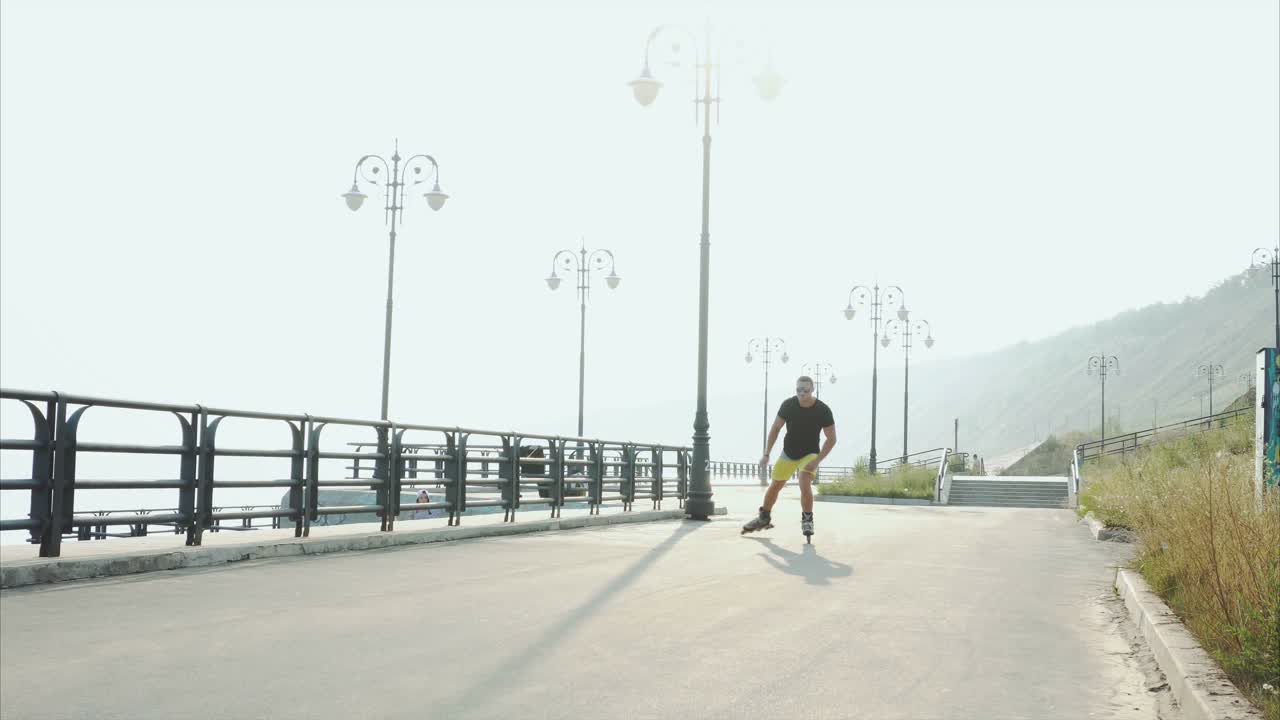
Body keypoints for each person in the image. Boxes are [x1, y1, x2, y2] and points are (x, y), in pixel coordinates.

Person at [742, 375, 837, 542]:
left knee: (804, 481)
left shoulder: (823, 410)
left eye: (805, 390)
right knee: (775, 485)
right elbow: (776, 428)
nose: (802, 393)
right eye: (798, 390)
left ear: (812, 389)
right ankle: (764, 517)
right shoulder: (788, 405)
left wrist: (817, 460)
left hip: (809, 454)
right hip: (789, 453)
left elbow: (832, 439)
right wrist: (766, 454)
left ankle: (807, 520)